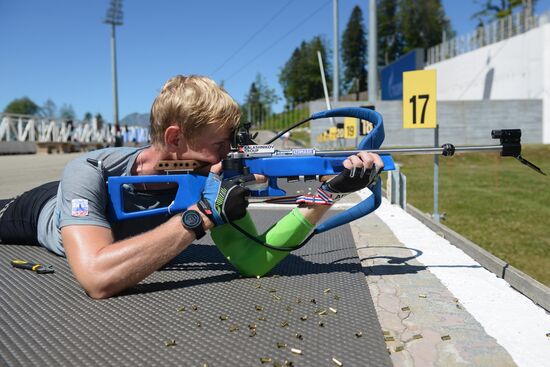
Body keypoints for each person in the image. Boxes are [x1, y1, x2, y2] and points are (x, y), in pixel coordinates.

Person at [0, 75, 383, 299]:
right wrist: (199, 218)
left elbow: (253, 261)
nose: (228, 154)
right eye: (220, 145)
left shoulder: (208, 175)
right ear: (174, 138)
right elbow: (97, 279)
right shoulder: (89, 170)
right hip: (38, 208)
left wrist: (326, 194)